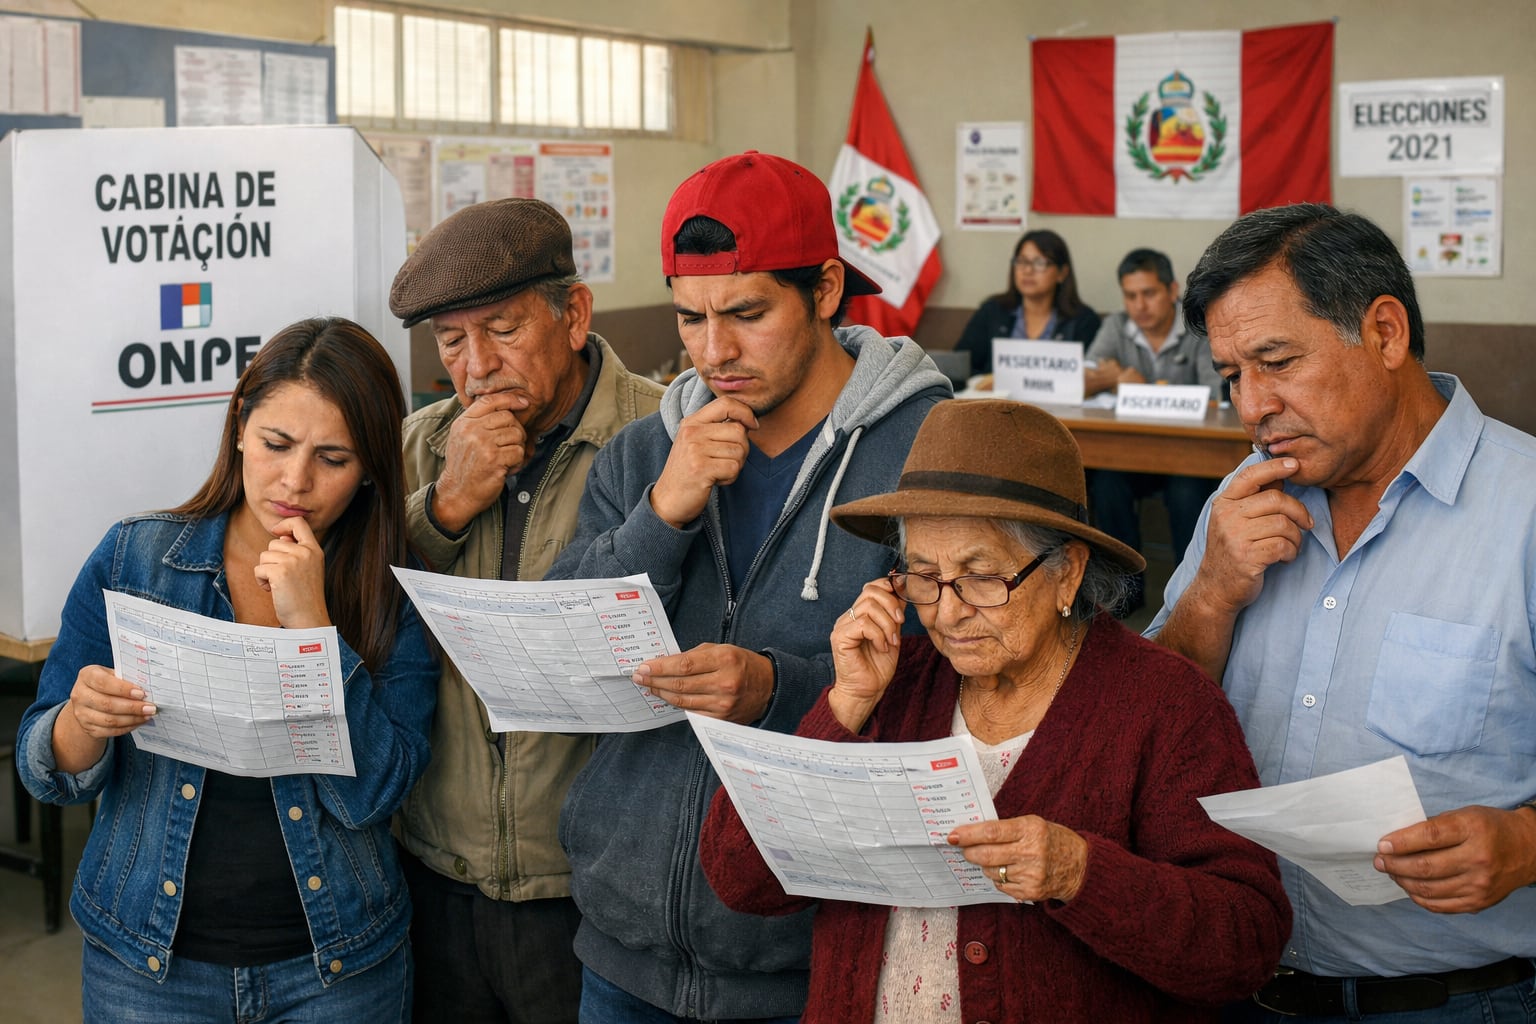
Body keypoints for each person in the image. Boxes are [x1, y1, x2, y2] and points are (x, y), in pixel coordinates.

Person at [700, 398, 1290, 1022]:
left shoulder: (1163, 705)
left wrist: (1081, 874)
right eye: (924, 576)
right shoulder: (892, 683)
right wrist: (843, 707)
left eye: (982, 578)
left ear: (1068, 573)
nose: (948, 613)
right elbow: (743, 880)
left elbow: (1244, 940)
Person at [547, 150, 952, 1022]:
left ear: (827, 289)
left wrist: (780, 688)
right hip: (624, 948)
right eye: (689, 319)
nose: (713, 351)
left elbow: (968, 684)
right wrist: (665, 511)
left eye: (746, 313)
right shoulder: (645, 452)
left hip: (814, 952)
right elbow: (556, 656)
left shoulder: (929, 453)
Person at [1147, 203, 1536, 1022]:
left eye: (1277, 361)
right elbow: (1149, 723)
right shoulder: (1242, 501)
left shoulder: (1524, 512)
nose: (1252, 406)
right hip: (1242, 984)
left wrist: (1528, 846)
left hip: (1459, 1001)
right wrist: (1212, 592)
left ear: (1385, 334)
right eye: (1230, 376)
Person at [16, 318, 437, 1022]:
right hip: (146, 967)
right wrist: (79, 724)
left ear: (370, 470)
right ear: (240, 424)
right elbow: (43, 768)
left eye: (333, 458)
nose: (295, 481)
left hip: (337, 968)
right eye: (276, 444)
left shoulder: (390, 589)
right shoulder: (135, 558)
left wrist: (313, 626)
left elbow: (378, 793)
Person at [388, 197, 664, 1024]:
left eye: (503, 329)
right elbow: (343, 617)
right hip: (437, 872)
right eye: (450, 341)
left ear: (574, 315)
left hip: (597, 888)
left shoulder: (662, 439)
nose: (476, 366)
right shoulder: (417, 446)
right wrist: (441, 508)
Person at [1083, 248, 1223, 615]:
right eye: (1131, 296)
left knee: (1186, 491)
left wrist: (1138, 385)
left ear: (1172, 290)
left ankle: (1188, 597)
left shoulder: (1198, 326)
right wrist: (1109, 378)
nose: (1139, 305)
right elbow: (1085, 378)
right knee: (1107, 482)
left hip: (1189, 458)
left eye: (1149, 293)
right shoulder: (1116, 326)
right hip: (1132, 454)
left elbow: (1216, 397)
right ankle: (1124, 596)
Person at [955, 228, 1101, 376]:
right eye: (1021, 261)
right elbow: (960, 367)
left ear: (1062, 273)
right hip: (995, 398)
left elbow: (1088, 376)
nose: (1028, 271)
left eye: (1040, 263)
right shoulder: (992, 311)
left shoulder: (1084, 321)